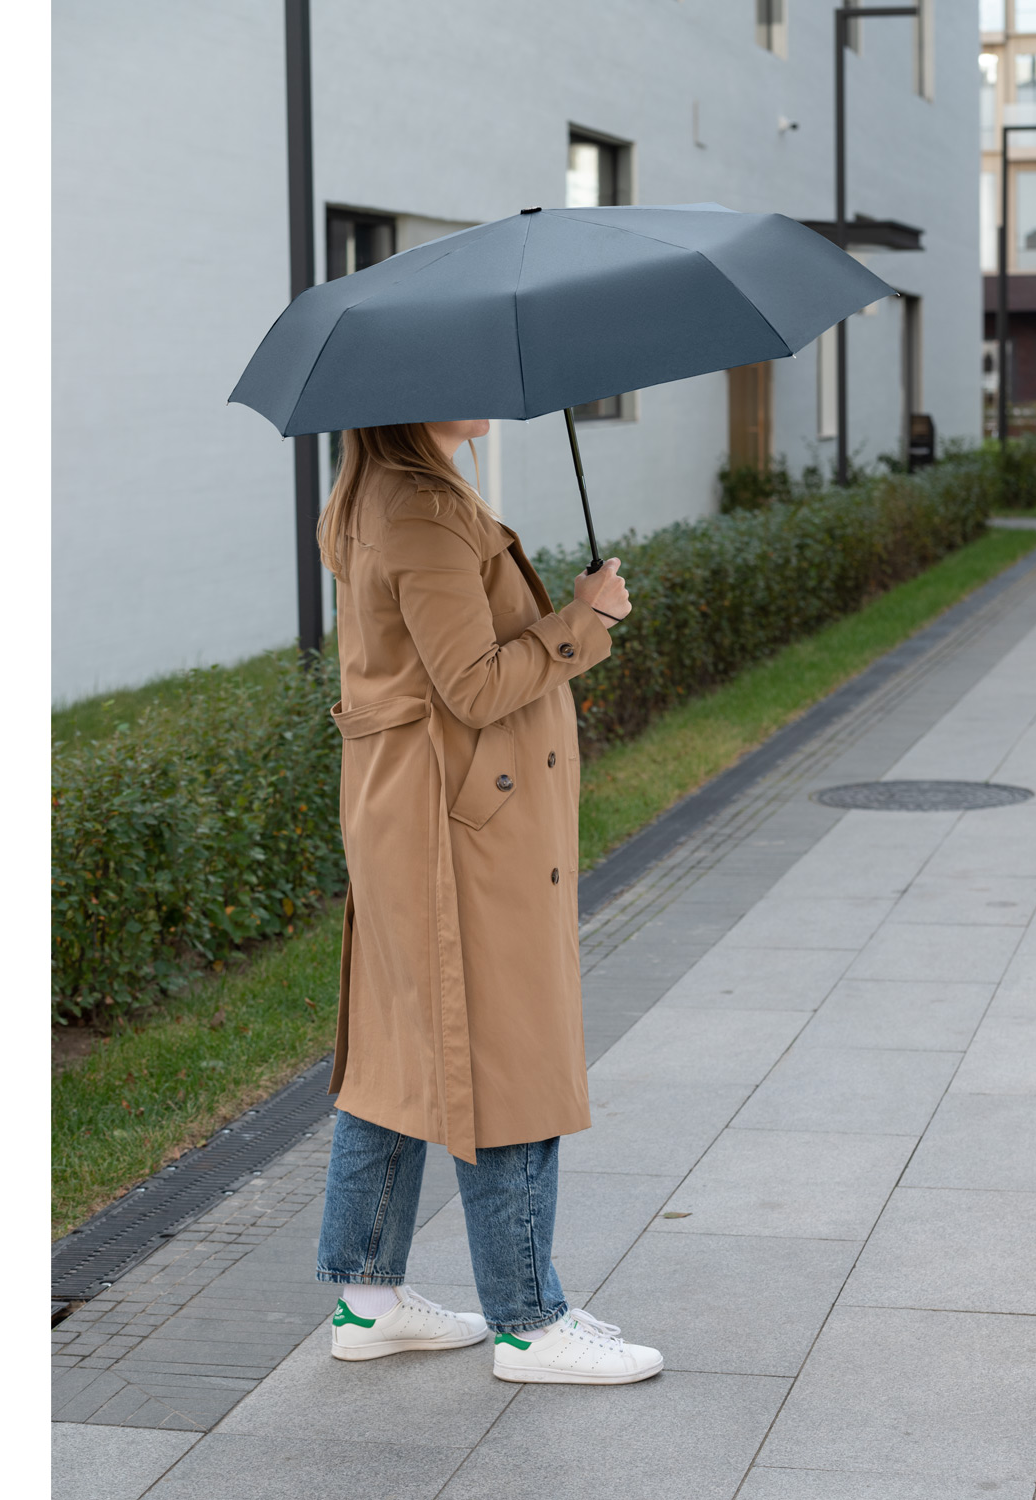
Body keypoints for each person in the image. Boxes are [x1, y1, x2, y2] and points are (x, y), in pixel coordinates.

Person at [311, 418, 663, 1385]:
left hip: (414, 816)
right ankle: (527, 1324)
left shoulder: (386, 492)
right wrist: (586, 617)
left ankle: (368, 1301)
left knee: (399, 1050)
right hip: (458, 829)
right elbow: (471, 687)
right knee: (504, 1051)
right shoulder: (422, 512)